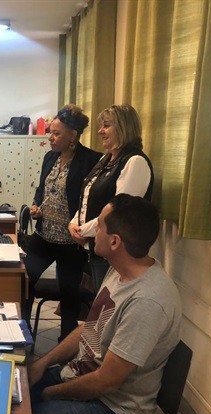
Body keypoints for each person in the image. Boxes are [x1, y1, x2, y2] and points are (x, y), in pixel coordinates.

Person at [28, 194, 181, 414]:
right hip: (81, 378)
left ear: (114, 242)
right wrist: (43, 363)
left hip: (114, 409)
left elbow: (106, 382)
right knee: (13, 396)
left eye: (98, 225)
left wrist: (49, 393)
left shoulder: (147, 301)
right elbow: (89, 330)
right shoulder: (119, 270)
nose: (92, 230)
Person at [23, 105, 101, 340]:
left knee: (69, 296)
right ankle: (22, 332)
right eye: (50, 132)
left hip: (71, 242)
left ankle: (65, 344)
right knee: (23, 283)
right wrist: (36, 206)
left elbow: (91, 200)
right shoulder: (50, 157)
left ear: (73, 135)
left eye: (56, 133)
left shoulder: (91, 160)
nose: (50, 137)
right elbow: (42, 189)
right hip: (44, 237)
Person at [69, 104, 154, 292]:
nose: (100, 131)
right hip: (95, 247)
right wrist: (73, 223)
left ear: (123, 128)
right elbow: (87, 196)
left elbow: (117, 212)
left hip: (115, 254)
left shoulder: (135, 162)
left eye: (106, 126)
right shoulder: (106, 159)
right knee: (96, 303)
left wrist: (82, 231)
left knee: (108, 304)